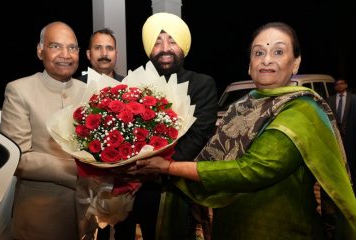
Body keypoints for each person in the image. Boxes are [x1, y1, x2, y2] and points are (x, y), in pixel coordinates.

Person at [132, 22, 356, 239]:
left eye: (278, 52)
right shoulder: (241, 106)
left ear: (296, 63)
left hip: (283, 230)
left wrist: (169, 167)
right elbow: (214, 159)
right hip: (230, 227)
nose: (267, 60)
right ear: (249, 64)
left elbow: (253, 170)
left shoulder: (302, 110)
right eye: (258, 53)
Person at [114, 12, 219, 240]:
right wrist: (127, 168)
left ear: (183, 46)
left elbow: (198, 135)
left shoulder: (201, 84)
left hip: (175, 188)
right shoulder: (134, 83)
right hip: (129, 187)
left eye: (172, 41)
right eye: (157, 42)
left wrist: (157, 168)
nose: (165, 48)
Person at [0, 21, 86, 240]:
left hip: (90, 214)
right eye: (55, 46)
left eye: (72, 47)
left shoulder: (90, 92)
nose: (65, 54)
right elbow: (18, 158)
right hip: (40, 218)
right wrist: (80, 171)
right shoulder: (19, 90)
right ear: (40, 51)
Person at [77, 27, 124, 240]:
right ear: (88, 54)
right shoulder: (75, 87)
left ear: (116, 54)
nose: (104, 53)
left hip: (123, 181)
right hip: (83, 181)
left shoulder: (130, 86)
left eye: (109, 48)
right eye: (98, 48)